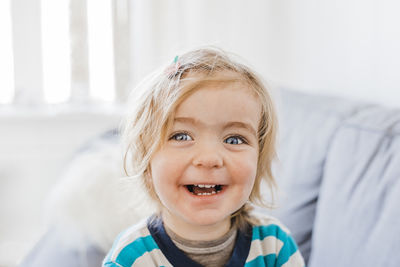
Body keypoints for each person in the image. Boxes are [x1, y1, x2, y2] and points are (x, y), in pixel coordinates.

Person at [103, 47, 305, 267]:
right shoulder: (129, 259)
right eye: (181, 136)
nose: (209, 158)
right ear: (147, 159)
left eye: (234, 139)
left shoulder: (275, 246)